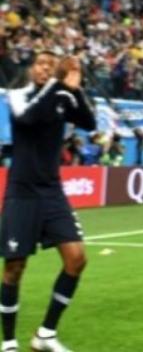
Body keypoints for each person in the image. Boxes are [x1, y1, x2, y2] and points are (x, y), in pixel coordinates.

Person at [2, 52, 95, 352]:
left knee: (77, 259)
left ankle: (45, 335)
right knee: (14, 267)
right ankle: (9, 341)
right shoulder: (17, 95)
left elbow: (89, 122)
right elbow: (27, 118)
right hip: (23, 191)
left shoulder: (60, 96)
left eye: (51, 66)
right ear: (31, 69)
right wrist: (57, 84)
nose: (46, 69)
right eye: (41, 64)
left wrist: (76, 88)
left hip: (52, 191)